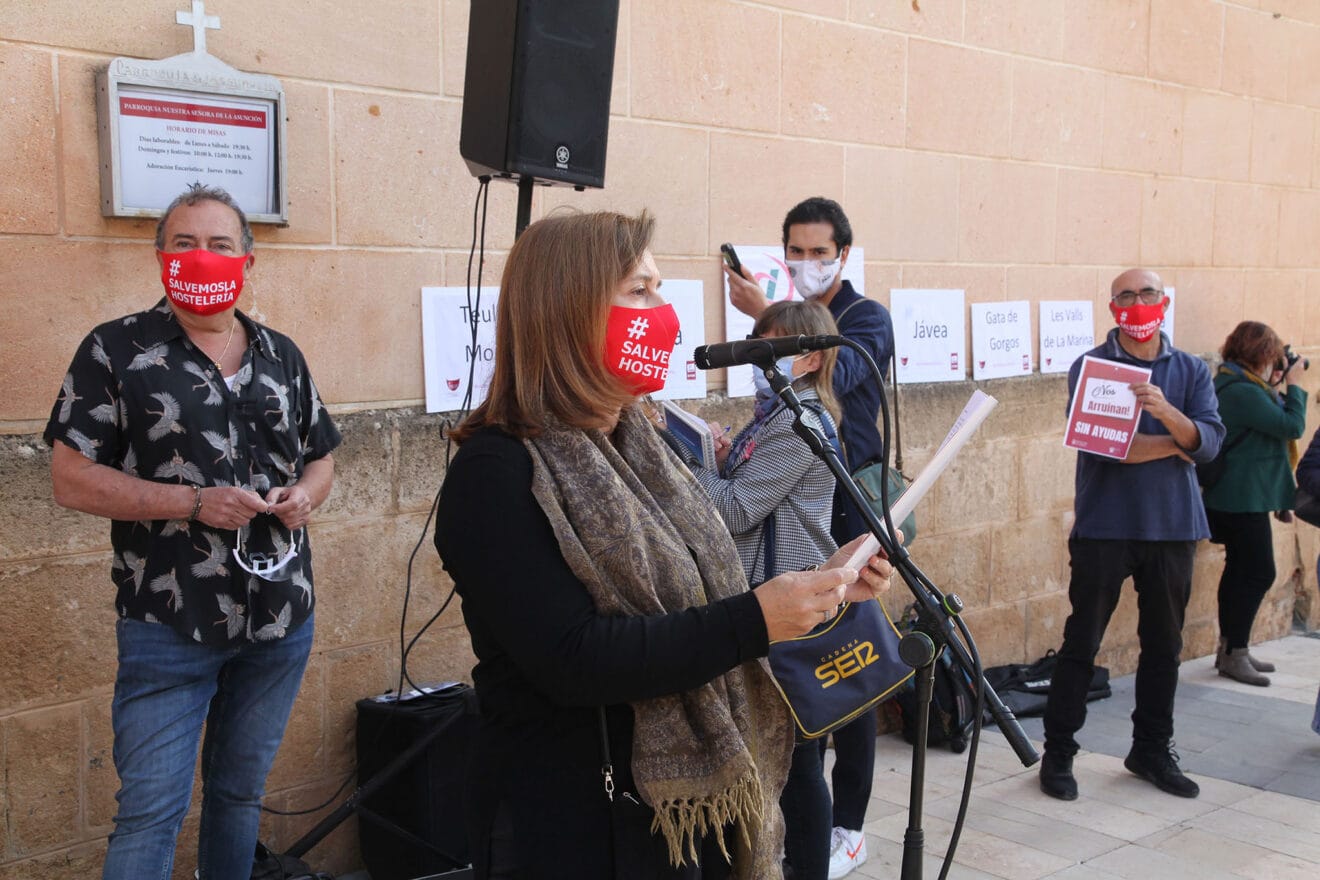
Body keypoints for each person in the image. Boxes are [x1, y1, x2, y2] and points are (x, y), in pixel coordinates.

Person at [434, 210, 894, 880]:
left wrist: (821, 584)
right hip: (574, 822)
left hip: (682, 819)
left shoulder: (643, 445)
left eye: (660, 289)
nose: (663, 312)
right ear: (568, 310)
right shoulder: (496, 472)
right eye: (639, 290)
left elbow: (699, 593)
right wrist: (755, 618)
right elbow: (573, 658)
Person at [45, 184, 340, 880]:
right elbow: (70, 479)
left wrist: (305, 495)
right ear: (160, 257)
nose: (202, 255)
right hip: (169, 622)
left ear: (247, 259)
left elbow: (322, 456)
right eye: (185, 243)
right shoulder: (114, 351)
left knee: (239, 797)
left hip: (280, 619)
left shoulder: (281, 355)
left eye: (219, 244)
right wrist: (192, 502)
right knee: (150, 812)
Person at [725, 197, 893, 878]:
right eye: (795, 251)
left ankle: (845, 827)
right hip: (796, 526)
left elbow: (838, 375)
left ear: (842, 254)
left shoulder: (862, 322)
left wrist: (775, 326)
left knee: (845, 683)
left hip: (845, 519)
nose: (806, 262)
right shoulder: (783, 376)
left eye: (818, 252)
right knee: (798, 728)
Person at [1039, 268, 1224, 803]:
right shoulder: (1093, 368)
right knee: (1082, 643)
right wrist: (1177, 442)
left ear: (1162, 302)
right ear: (1112, 305)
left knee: (1165, 646)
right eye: (1126, 294)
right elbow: (1105, 446)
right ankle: (1058, 753)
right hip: (1105, 527)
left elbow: (1210, 444)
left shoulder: (1191, 369)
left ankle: (1151, 750)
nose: (1137, 302)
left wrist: (1165, 412)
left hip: (1173, 528)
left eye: (1147, 294)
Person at [688, 300, 842, 880]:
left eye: (771, 349)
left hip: (789, 607)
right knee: (781, 758)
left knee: (798, 764)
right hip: (770, 597)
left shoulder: (799, 424)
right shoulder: (774, 415)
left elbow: (735, 511)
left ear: (811, 357)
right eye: (756, 346)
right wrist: (717, 458)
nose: (758, 360)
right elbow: (744, 494)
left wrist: (678, 465)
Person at [1201, 322, 1307, 685]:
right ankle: (1235, 652)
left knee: (1239, 572)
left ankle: (1231, 650)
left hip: (1241, 496)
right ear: (1261, 354)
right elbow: (1291, 426)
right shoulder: (1241, 391)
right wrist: (1295, 384)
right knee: (1259, 572)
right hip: (1239, 499)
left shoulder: (1241, 384)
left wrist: (1277, 382)